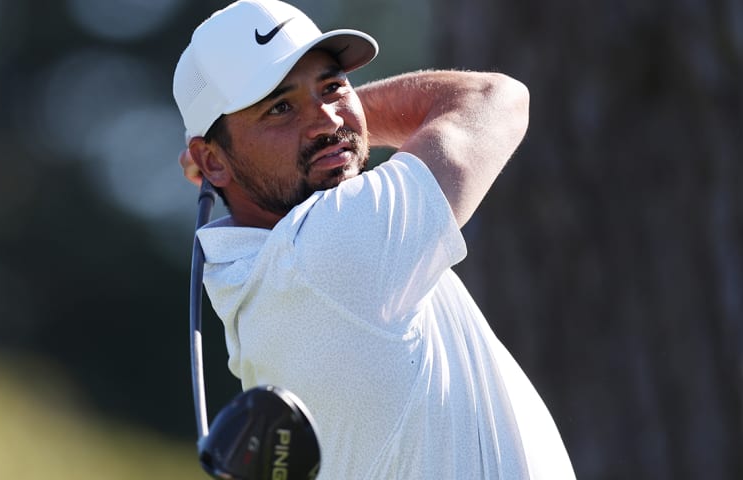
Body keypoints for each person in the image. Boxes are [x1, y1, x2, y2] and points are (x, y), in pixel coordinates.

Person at [173, 0, 575, 478]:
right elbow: (495, 98)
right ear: (211, 161)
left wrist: (303, 129)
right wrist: (347, 120)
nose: (326, 119)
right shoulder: (331, 249)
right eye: (279, 107)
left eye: (333, 86)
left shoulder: (264, 282)